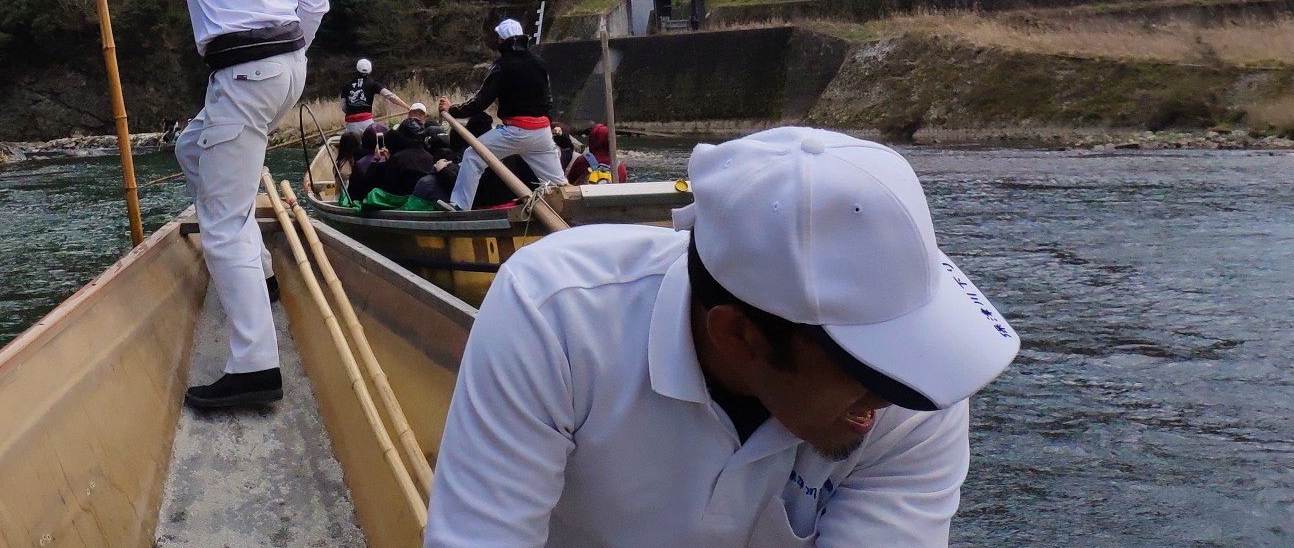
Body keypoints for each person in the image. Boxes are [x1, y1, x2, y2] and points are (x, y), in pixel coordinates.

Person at [423, 126, 1022, 547]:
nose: (892, 397)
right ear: (738, 335)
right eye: (865, 369)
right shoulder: (555, 316)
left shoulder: (921, 393)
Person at [75, 0, 327, 411]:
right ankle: (260, 270)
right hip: (287, 67)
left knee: (222, 224)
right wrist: (285, 63)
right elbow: (314, 2)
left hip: (243, 73)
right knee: (193, 148)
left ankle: (255, 368)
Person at [438, 18, 567, 209]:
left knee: (472, 156)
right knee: (558, 184)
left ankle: (459, 206)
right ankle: (572, 211)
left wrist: (452, 110)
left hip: (514, 132)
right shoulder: (540, 63)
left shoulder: (501, 66)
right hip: (541, 133)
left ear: (502, 41)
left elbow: (480, 102)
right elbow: (548, 100)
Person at [341, 58, 382, 129]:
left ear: (357, 70)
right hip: (367, 121)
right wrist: (406, 107)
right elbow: (390, 96)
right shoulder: (373, 84)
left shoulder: (347, 85)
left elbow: (343, 106)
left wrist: (353, 111)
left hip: (351, 124)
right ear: (370, 70)